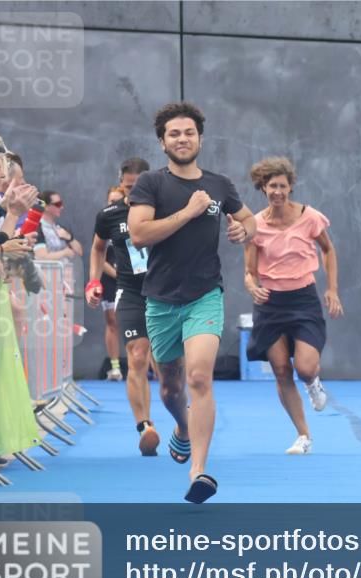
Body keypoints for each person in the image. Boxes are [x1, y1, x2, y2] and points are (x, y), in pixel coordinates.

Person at [127, 102, 257, 503]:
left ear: (200, 137)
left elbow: (250, 219)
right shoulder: (150, 183)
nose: (182, 139)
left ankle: (198, 470)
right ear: (163, 142)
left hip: (205, 295)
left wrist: (243, 231)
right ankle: (182, 429)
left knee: (199, 377)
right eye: (174, 134)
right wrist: (188, 212)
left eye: (189, 132)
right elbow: (140, 234)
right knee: (169, 387)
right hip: (161, 299)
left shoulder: (219, 184)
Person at [243, 157, 343, 455]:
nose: (277, 192)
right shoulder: (255, 225)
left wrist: (332, 290)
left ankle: (313, 383)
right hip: (271, 304)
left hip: (303, 299)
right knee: (282, 370)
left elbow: (328, 249)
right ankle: (303, 435)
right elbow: (249, 270)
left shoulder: (309, 216)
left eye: (282, 186)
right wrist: (251, 286)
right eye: (272, 186)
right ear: (263, 188)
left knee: (304, 366)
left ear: (290, 187)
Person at [87, 160, 160, 454]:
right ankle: (145, 426)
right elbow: (97, 247)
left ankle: (183, 421)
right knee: (138, 356)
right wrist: (93, 282)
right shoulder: (109, 214)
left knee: (167, 363)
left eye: (140, 185)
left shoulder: (164, 209)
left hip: (164, 291)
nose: (135, 191)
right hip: (130, 292)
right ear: (121, 185)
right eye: (130, 187)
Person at [100, 185, 125, 381]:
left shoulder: (133, 218)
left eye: (118, 200)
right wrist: (116, 273)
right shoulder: (104, 220)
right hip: (110, 278)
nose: (114, 203)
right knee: (112, 321)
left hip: (132, 278)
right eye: (111, 200)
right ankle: (115, 367)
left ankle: (151, 367)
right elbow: (97, 254)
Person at [34, 191, 83, 262]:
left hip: (62, 272)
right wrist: (64, 253)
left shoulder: (60, 228)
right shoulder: (38, 228)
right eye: (58, 204)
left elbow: (79, 252)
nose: (62, 207)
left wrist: (69, 237)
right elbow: (41, 257)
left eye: (61, 203)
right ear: (46, 207)